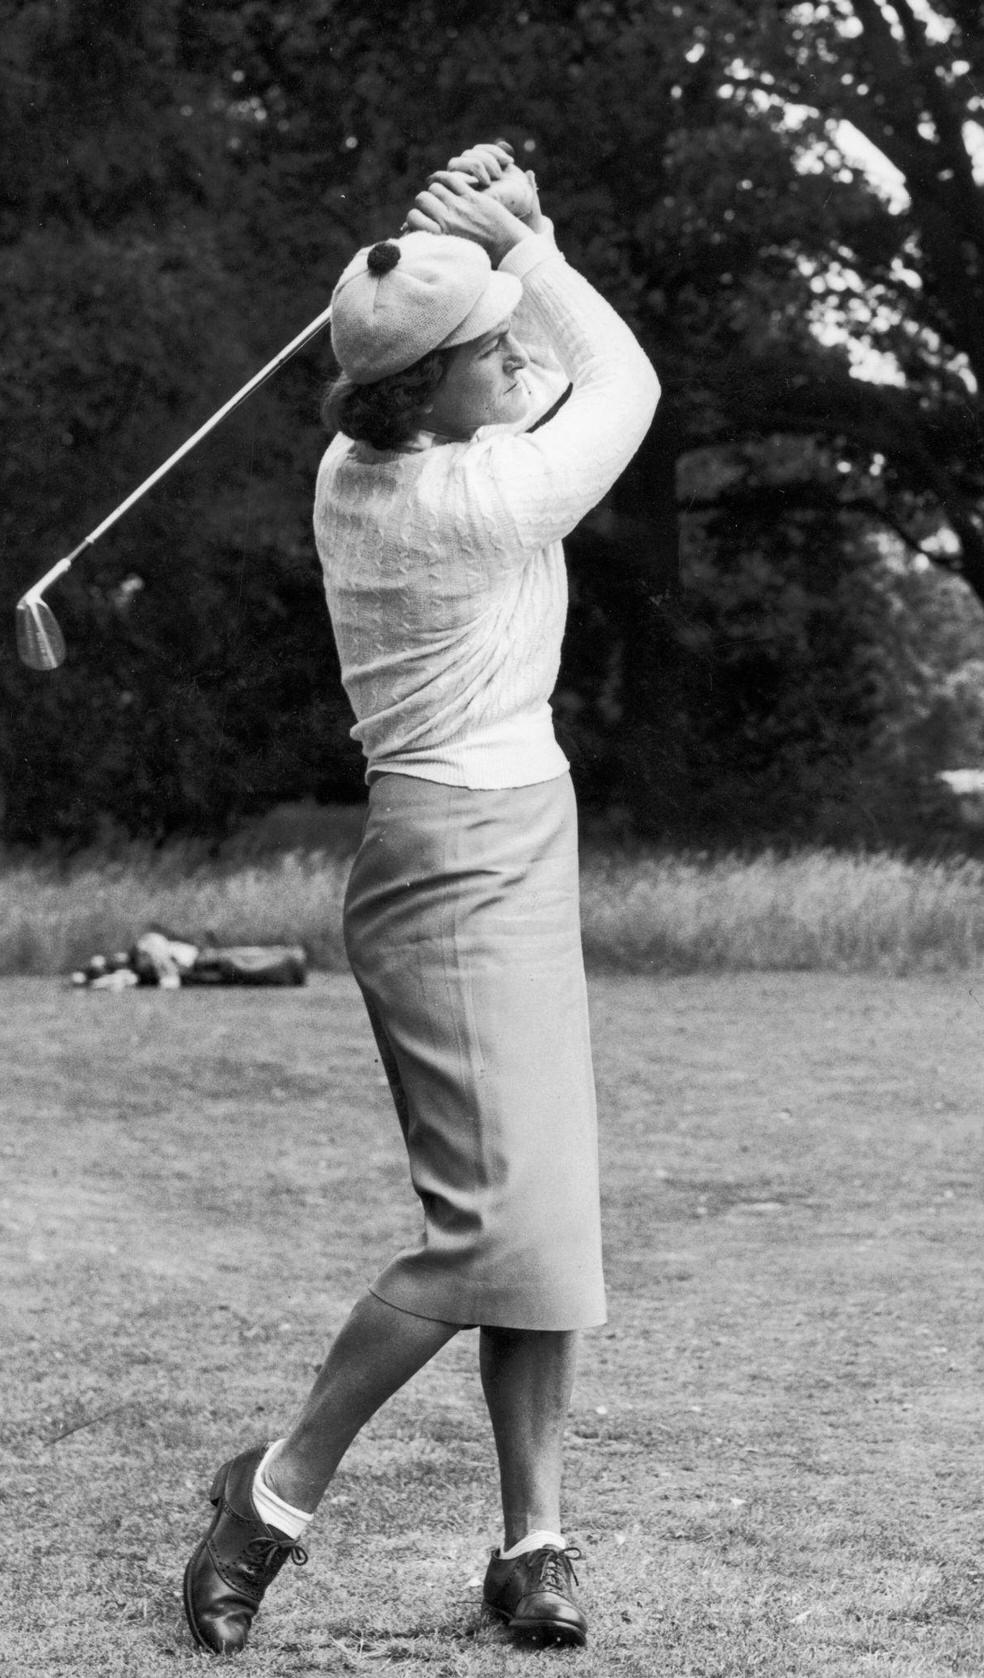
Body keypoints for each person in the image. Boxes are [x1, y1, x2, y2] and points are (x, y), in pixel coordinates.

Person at [180, 140, 660, 1655]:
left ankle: (534, 1541)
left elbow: (511, 357)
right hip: (455, 862)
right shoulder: (459, 503)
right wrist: (532, 245)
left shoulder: (367, 454)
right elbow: (625, 387)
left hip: (513, 835)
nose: (515, 353)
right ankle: (273, 1495)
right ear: (424, 393)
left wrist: (490, 234)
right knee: (495, 1231)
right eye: (486, 351)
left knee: (548, 1229)